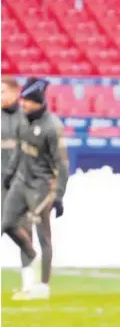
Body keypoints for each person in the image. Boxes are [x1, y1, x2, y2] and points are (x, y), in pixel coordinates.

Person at [2, 77, 69, 300]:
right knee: (7, 223)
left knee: (43, 235)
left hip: (41, 186)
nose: (23, 104)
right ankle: (30, 253)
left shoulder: (52, 127)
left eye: (27, 100)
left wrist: (59, 195)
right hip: (21, 181)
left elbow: (61, 163)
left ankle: (43, 285)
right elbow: (20, 151)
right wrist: (10, 176)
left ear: (37, 101)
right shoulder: (24, 122)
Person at [1, 76, 35, 292]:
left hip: (21, 182)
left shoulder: (28, 118)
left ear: (15, 92)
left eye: (3, 91)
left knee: (24, 228)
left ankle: (29, 283)